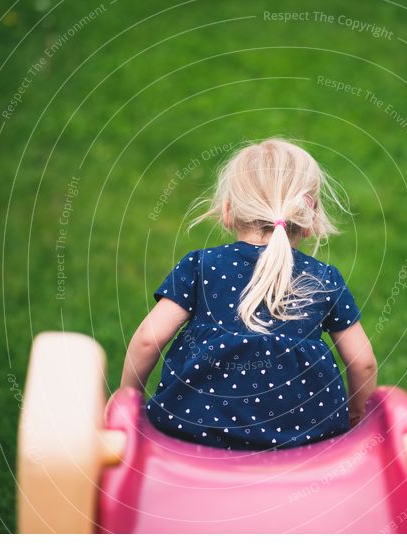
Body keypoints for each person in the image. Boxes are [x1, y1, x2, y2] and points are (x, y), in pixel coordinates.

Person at [120, 138, 377, 449]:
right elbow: (363, 362)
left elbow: (149, 338)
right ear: (309, 220)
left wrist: (127, 402)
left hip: (194, 427)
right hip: (305, 436)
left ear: (228, 212)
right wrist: (355, 414)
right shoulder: (324, 278)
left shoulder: (201, 266)